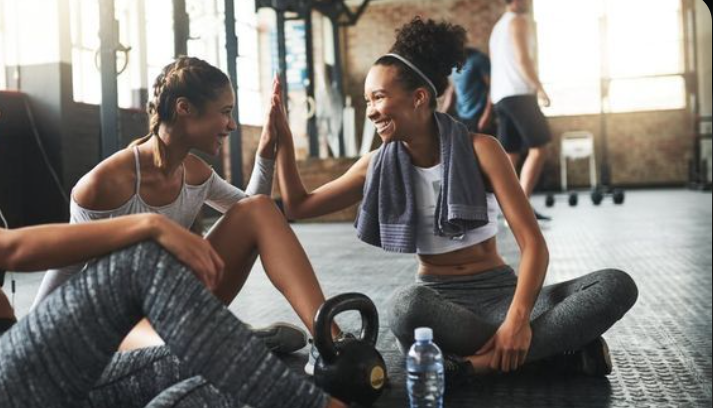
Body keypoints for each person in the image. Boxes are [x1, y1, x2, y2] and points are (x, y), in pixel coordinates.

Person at [0, 17, 346, 408]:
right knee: (140, 261)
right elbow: (10, 250)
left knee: (213, 369)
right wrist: (147, 224)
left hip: (21, 370)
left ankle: (275, 361)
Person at [268, 16, 638, 384]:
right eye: (368, 101)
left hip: (503, 296)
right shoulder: (375, 165)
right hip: (440, 307)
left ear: (418, 98)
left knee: (615, 285)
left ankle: (469, 367)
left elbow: (533, 244)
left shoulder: (482, 150)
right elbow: (299, 206)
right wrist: (283, 140)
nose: (371, 111)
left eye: (379, 97)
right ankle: (547, 354)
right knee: (404, 306)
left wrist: (518, 319)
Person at [32, 56, 336, 356]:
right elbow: (64, 268)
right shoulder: (105, 184)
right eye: (225, 112)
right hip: (120, 324)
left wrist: (267, 147)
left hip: (175, 304)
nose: (231, 124)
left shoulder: (196, 174)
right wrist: (27, 346)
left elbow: (257, 217)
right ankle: (225, 337)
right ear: (184, 108)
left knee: (260, 209)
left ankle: (333, 342)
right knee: (183, 352)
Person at [489, 0, 554, 220]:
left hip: (501, 97)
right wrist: (540, 88)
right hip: (519, 93)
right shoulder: (518, 21)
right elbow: (523, 59)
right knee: (540, 148)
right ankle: (521, 208)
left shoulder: (497, 27)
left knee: (510, 153)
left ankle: (507, 208)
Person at [441, 47, 494, 135]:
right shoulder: (453, 65)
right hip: (461, 116)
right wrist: (442, 114)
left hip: (479, 116)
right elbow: (453, 89)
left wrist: (487, 115)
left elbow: (492, 87)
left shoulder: (478, 59)